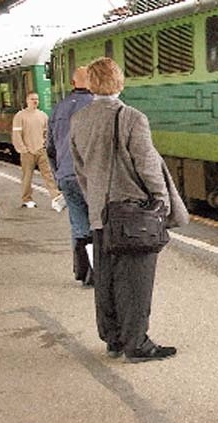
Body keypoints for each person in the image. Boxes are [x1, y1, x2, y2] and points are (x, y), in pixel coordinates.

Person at [70, 57, 188, 363]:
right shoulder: (132, 117)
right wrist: (160, 200)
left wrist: (95, 200)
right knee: (135, 280)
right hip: (132, 215)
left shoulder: (79, 119)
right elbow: (147, 164)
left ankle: (113, 340)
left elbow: (80, 170)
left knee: (106, 278)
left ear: (92, 85)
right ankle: (137, 344)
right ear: (119, 82)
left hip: (100, 212)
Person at [47, 67, 94, 286]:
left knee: (78, 225)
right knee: (98, 223)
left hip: (66, 175)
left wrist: (58, 173)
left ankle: (82, 272)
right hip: (92, 176)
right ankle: (97, 272)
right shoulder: (96, 105)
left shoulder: (58, 109)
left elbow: (50, 148)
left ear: (72, 83)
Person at [12, 91, 65, 211]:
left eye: (36, 99)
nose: (35, 101)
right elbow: (17, 134)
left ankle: (56, 197)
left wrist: (45, 145)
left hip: (41, 150)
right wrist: (22, 149)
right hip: (27, 152)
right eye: (32, 99)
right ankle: (27, 199)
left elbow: (47, 133)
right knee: (27, 176)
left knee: (48, 175)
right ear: (27, 100)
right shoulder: (20, 116)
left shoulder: (43, 116)